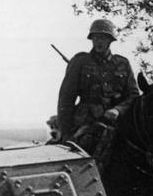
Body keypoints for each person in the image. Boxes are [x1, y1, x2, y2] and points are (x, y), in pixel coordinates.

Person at [56, 18, 138, 155]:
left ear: (110, 41)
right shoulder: (80, 61)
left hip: (117, 124)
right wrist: (66, 134)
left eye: (103, 38)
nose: (98, 41)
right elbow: (66, 100)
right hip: (86, 124)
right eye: (95, 38)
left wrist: (118, 110)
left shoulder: (122, 63)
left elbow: (133, 95)